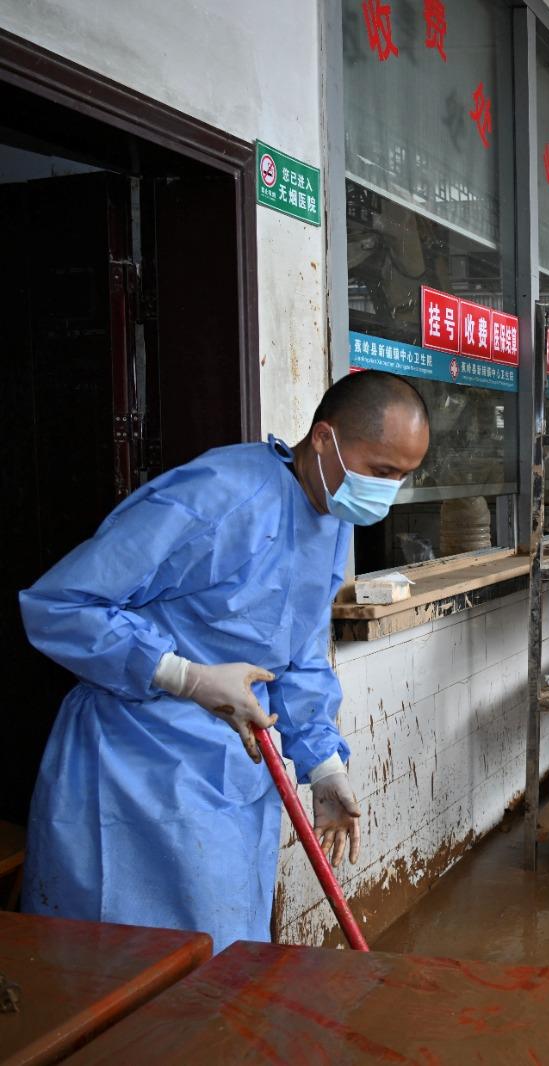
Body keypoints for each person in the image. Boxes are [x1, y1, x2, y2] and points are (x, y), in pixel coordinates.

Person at [19, 370, 430, 952]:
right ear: (323, 438)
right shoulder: (219, 494)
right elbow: (62, 606)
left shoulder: (331, 519)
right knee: (120, 966)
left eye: (403, 477)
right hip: (132, 765)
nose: (387, 490)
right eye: (382, 471)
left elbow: (300, 654)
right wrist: (182, 675)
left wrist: (323, 766)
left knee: (220, 962)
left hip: (231, 774)